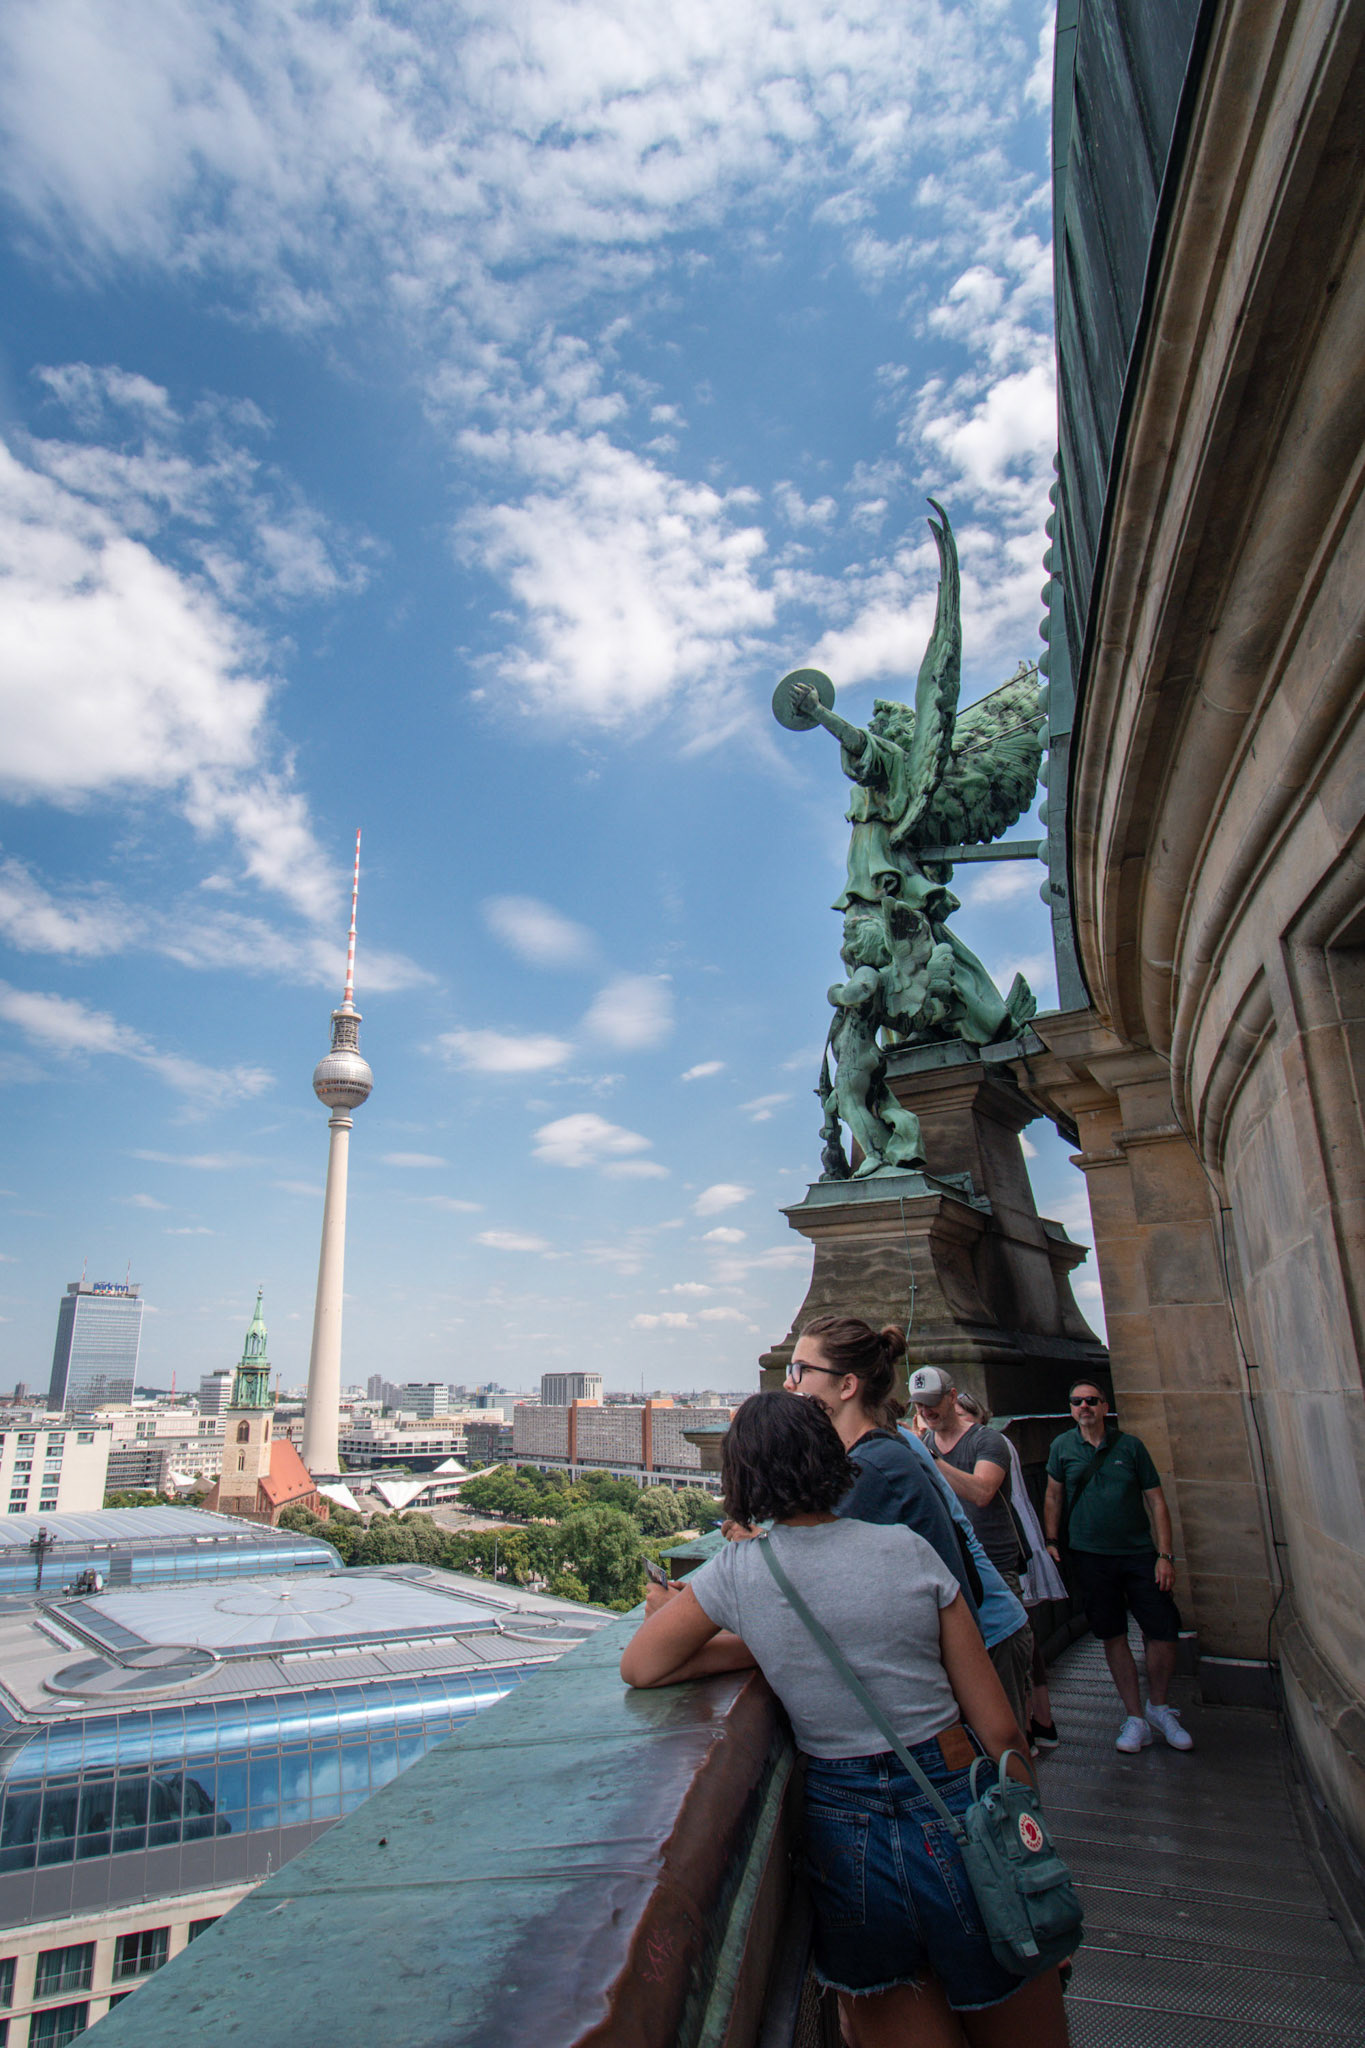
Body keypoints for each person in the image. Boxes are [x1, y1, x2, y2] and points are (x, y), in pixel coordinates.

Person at [621, 1391, 1071, 2048]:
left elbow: (642, 1666)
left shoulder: (740, 1573)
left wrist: (753, 1635)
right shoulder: (906, 1550)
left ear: (741, 1478)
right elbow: (1000, 1731)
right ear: (832, 1458)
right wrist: (1030, 1862)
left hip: (845, 1828)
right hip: (955, 1798)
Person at [781, 1316, 985, 1616]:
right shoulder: (881, 1452)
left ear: (847, 1385)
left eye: (802, 1370)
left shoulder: (872, 1467)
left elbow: (802, 1576)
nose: (788, 1382)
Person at [1043, 1380, 1193, 1754]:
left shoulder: (1130, 1447)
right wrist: (1051, 1540)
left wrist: (1165, 1555)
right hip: (1090, 1556)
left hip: (1139, 1553)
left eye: (1091, 1400)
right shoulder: (1062, 1447)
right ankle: (1135, 1717)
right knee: (1112, 1634)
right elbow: (1053, 1496)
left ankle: (1158, 1706)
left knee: (1163, 1630)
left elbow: (1156, 1501)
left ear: (1104, 1406)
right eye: (1077, 1401)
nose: (1084, 1406)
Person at [957, 1391, 1065, 1753]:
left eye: (961, 1416)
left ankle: (1027, 1729)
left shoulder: (990, 1444)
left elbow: (983, 1493)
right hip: (992, 1554)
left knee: (1014, 1641)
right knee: (1019, 1638)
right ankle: (1036, 1724)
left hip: (1001, 1554)